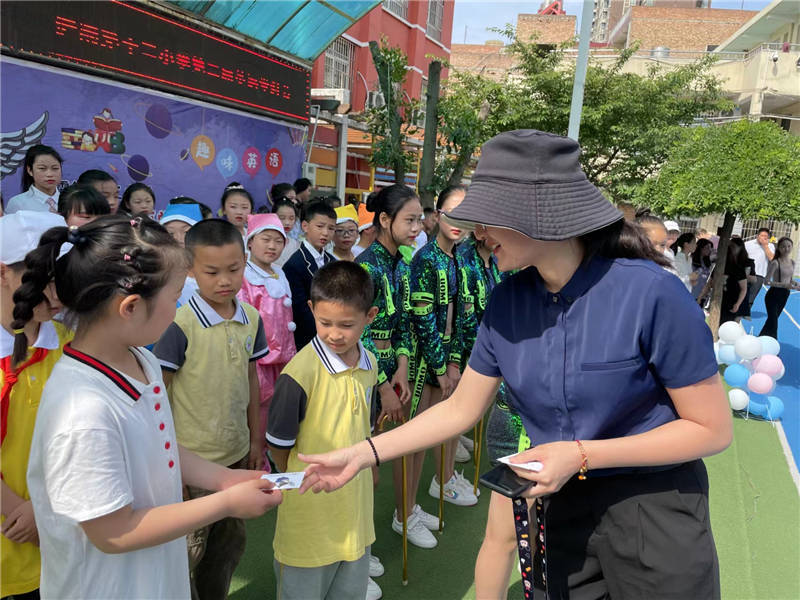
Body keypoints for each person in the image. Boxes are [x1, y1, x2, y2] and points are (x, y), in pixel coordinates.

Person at [299, 130, 732, 600]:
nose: (479, 233)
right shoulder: (507, 301)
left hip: (655, 513)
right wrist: (362, 454)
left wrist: (583, 455)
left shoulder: (652, 293)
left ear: (539, 218)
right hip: (560, 511)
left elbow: (710, 429)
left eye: (490, 219)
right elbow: (459, 409)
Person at [21, 215, 280, 599]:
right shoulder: (83, 412)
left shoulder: (143, 361)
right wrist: (225, 502)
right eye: (176, 298)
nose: (179, 309)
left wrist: (222, 479)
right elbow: (113, 532)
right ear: (129, 307)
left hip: (156, 576)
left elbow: (160, 450)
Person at [153, 219, 270, 600]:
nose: (225, 280)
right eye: (212, 271)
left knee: (227, 549)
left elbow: (251, 380)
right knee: (187, 552)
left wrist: (256, 440)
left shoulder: (252, 318)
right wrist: (171, 464)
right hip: (191, 463)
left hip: (236, 460)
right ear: (190, 270)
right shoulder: (178, 324)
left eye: (234, 269)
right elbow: (160, 398)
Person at [267, 261, 380, 600]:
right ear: (311, 309)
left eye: (347, 324)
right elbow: (278, 446)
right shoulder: (299, 373)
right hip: (308, 516)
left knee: (350, 591)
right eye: (325, 322)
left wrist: (369, 464)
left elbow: (367, 426)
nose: (334, 333)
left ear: (370, 316)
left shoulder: (370, 363)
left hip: (355, 514)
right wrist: (296, 479)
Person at [355, 185, 439, 550]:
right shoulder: (365, 266)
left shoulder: (403, 264)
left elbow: (404, 322)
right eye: (409, 219)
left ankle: (397, 519)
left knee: (396, 452)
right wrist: (385, 385)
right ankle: (358, 549)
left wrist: (402, 368)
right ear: (385, 220)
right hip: (365, 377)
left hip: (394, 373)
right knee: (366, 471)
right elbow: (360, 334)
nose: (417, 227)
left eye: (419, 219)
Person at [1, 211, 71, 600]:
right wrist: (20, 512)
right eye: (42, 280)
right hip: (13, 537)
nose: (56, 294)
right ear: (2, 273)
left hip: (55, 540)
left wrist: (42, 510)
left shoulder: (67, 343)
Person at [409, 185, 478, 507]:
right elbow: (424, 322)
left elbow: (462, 316)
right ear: (436, 216)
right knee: (418, 437)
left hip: (449, 361)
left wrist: (453, 362)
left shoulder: (461, 258)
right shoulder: (426, 259)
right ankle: (405, 511)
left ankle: (444, 480)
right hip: (423, 364)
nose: (457, 222)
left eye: (465, 216)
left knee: (446, 424)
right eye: (451, 213)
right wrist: (440, 366)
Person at [237, 213, 297, 468]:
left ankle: (273, 457)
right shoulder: (245, 278)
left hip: (284, 359)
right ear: (250, 242)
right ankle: (257, 465)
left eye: (278, 241)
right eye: (266, 239)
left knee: (279, 411)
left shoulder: (279, 274)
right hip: (259, 361)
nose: (272, 246)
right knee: (259, 414)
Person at [282, 200, 336, 350]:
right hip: (307, 339)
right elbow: (300, 310)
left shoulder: (332, 261)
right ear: (305, 226)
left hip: (332, 335)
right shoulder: (294, 264)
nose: (325, 233)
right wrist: (326, 332)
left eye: (331, 228)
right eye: (320, 226)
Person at [159, 203, 204, 307]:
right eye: (171, 233)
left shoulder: (213, 269)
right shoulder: (159, 274)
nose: (178, 239)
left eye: (186, 231)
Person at [5, 145, 63, 214]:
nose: (49, 174)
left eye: (55, 168)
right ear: (30, 170)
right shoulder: (18, 204)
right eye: (42, 168)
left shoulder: (69, 201)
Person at [759, 237, 798, 338]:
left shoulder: (792, 263)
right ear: (779, 248)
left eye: (789, 246)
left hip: (785, 295)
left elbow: (790, 279)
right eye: (783, 246)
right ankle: (774, 343)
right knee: (773, 322)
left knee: (771, 322)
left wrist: (796, 285)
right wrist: (784, 285)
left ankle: (761, 339)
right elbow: (766, 281)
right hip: (773, 295)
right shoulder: (775, 262)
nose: (786, 249)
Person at [745, 227, 775, 309]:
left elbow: (771, 258)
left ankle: (744, 312)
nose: (764, 237)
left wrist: (765, 246)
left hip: (759, 275)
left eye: (766, 236)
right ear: (757, 236)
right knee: (741, 293)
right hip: (746, 273)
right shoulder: (748, 244)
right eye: (762, 235)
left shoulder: (770, 246)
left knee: (752, 296)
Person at [272, 198, 301, 268]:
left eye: (291, 218)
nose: (287, 223)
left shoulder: (296, 245)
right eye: (282, 218)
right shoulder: (265, 241)